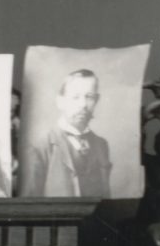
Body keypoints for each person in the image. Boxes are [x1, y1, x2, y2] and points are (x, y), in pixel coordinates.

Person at [20, 68, 113, 200]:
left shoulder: (101, 144)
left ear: (96, 101)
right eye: (75, 97)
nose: (83, 104)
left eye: (90, 97)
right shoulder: (41, 145)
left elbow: (105, 196)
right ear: (60, 102)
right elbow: (30, 200)